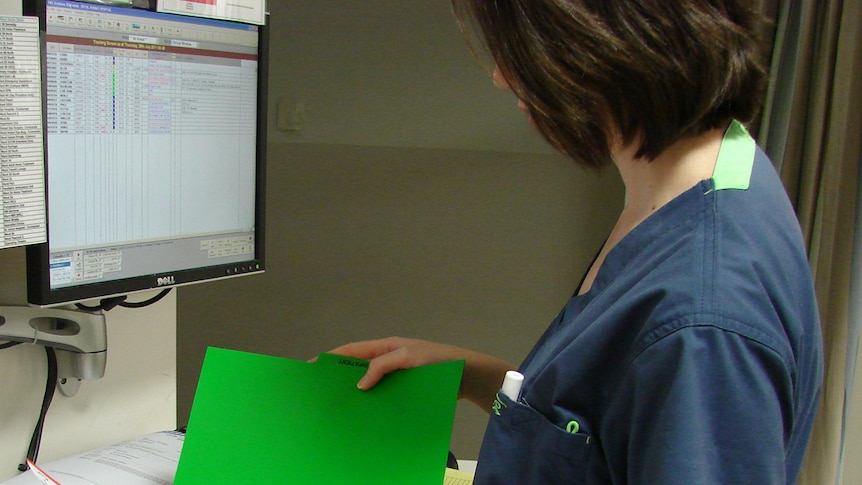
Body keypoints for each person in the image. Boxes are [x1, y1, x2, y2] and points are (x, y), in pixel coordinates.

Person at [328, 1, 824, 483]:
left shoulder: (702, 321)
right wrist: (473, 376)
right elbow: (607, 428)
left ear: (603, 36)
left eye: (520, 46)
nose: (502, 76)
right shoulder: (714, 175)